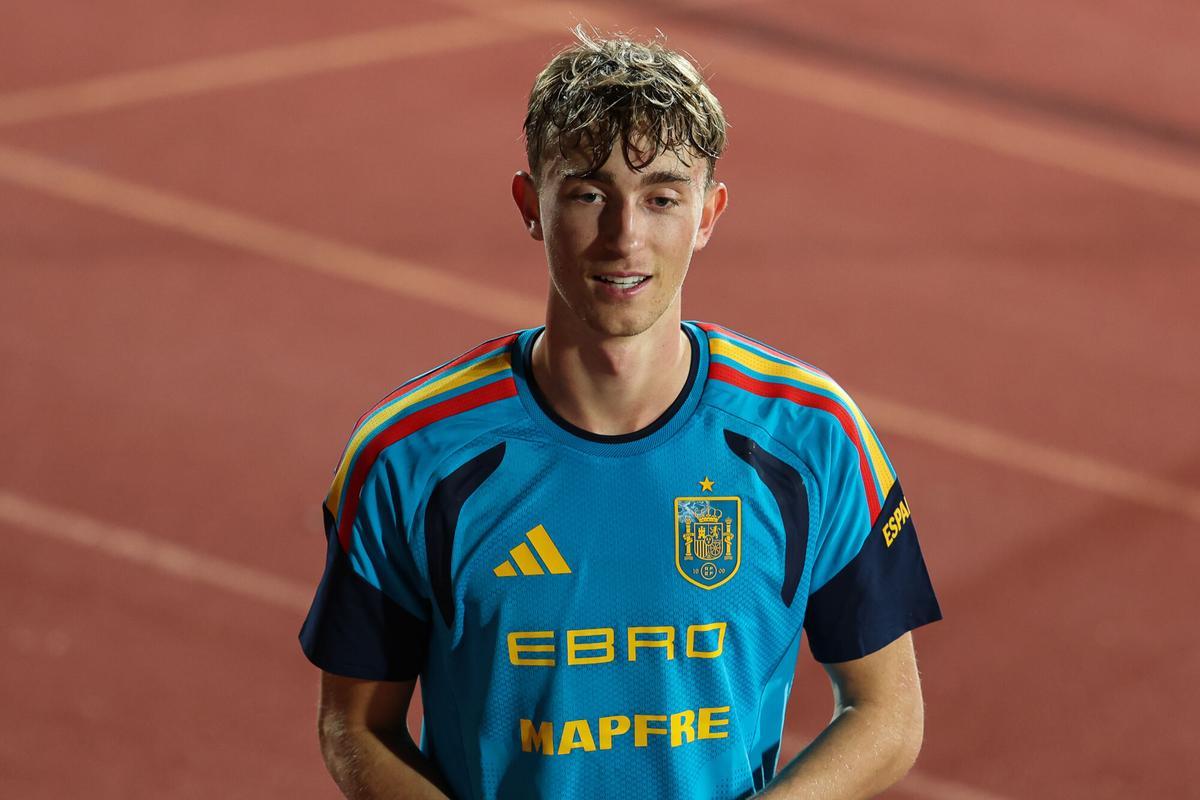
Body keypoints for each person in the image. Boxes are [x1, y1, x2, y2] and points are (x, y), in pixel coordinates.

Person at [300, 27, 941, 799]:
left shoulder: (812, 437)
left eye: (662, 198)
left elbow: (888, 711)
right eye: (588, 194)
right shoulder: (411, 456)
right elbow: (356, 725)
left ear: (707, 214)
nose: (624, 237)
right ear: (530, 205)